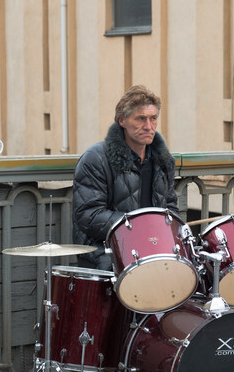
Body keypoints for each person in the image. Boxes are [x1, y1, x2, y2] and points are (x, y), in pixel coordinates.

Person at [72, 85, 179, 270]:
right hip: (105, 250)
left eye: (153, 118)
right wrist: (138, 227)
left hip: (151, 247)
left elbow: (170, 207)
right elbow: (88, 215)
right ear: (122, 121)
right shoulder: (96, 158)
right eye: (140, 119)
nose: (148, 126)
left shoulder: (163, 161)